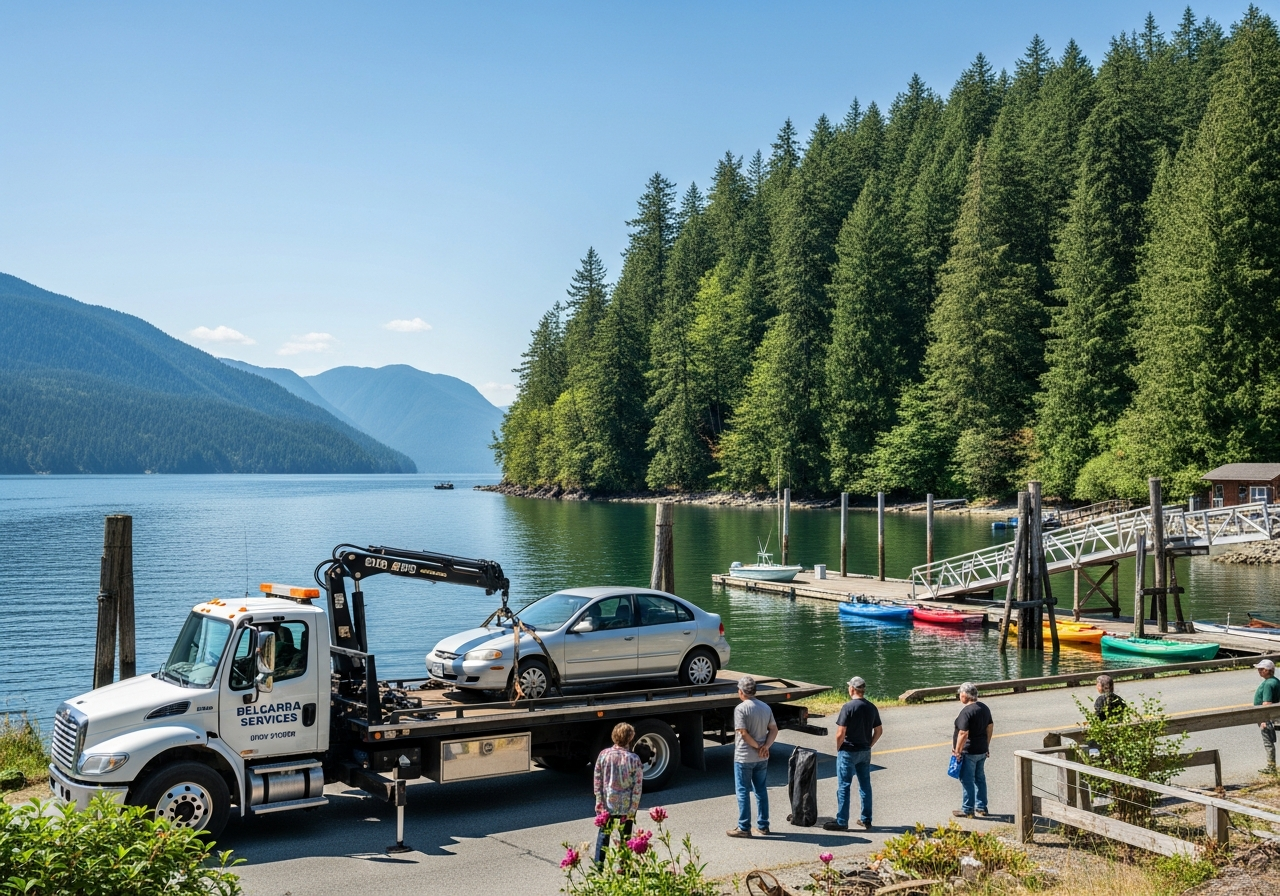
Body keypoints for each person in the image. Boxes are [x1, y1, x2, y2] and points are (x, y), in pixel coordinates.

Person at [824, 676, 882, 832]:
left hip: (848, 751)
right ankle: (866, 819)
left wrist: (839, 748)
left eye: (849, 687)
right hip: (864, 751)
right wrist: (869, 744)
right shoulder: (871, 707)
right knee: (865, 785)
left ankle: (842, 821)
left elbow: (840, 733)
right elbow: (878, 730)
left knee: (844, 786)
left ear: (852, 689)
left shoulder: (848, 707)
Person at [728, 675, 777, 838]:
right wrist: (766, 747)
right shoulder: (765, 707)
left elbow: (743, 733)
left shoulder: (741, 709)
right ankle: (763, 825)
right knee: (761, 790)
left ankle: (744, 827)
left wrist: (758, 747)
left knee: (742, 791)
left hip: (744, 757)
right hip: (762, 758)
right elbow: (774, 729)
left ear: (742, 692)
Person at [592, 722, 643, 864]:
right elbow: (637, 787)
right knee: (626, 837)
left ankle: (599, 867)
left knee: (603, 835)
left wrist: (599, 802)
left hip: (607, 803)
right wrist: (633, 808)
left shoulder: (603, 755)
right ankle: (624, 867)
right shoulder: (634, 759)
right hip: (626, 806)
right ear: (630, 738)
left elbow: (598, 781)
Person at [952, 682, 993, 819]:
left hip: (969, 751)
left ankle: (968, 808)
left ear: (964, 695)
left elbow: (963, 733)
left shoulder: (967, 711)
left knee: (967, 780)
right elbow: (990, 726)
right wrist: (986, 745)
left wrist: (958, 751)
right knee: (980, 779)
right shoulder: (984, 708)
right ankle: (981, 807)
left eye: (960, 694)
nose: (959, 696)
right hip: (981, 749)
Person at [1255, 659, 1279, 776]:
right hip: (1274, 715)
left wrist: (1263, 719)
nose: (1259, 671)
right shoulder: (1275, 681)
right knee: (1269, 741)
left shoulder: (1269, 684)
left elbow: (1267, 703)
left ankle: (1271, 767)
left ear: (1267, 670)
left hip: (1268, 716)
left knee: (1268, 742)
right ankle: (1271, 766)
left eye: (1261, 669)